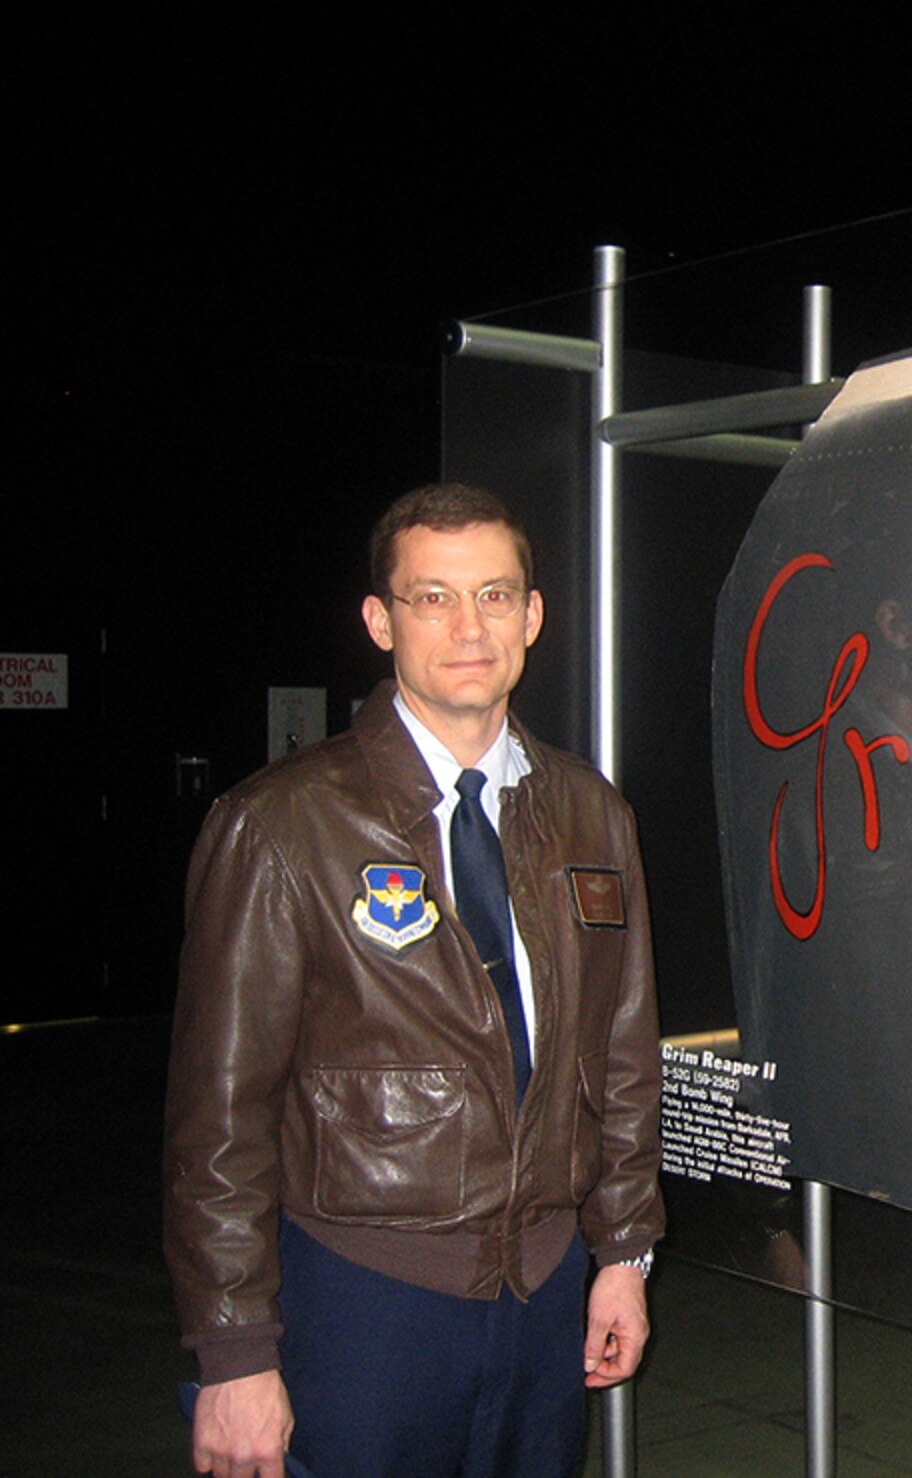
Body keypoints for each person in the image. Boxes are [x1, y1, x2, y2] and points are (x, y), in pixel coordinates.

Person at [164, 483, 665, 1478]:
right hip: (363, 1292)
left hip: (545, 1288)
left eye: (492, 594)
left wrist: (623, 1255)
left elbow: (621, 1057)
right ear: (380, 621)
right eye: (432, 597)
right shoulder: (282, 824)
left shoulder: (589, 815)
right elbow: (220, 1112)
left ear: (531, 615)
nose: (467, 626)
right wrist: (233, 1353)